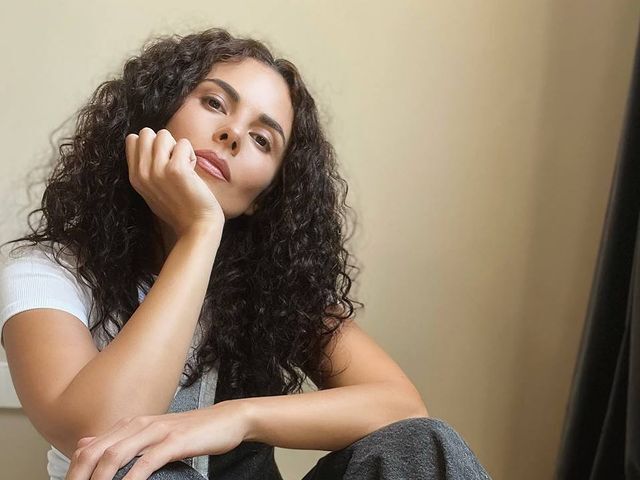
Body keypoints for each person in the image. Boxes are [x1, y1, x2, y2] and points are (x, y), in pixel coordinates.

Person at [0, 27, 491, 479]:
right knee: (137, 463)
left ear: (262, 198)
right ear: (156, 114)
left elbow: (401, 406)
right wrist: (200, 232)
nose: (232, 134)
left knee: (423, 445)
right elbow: (98, 430)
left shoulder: (273, 288)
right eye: (214, 103)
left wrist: (236, 418)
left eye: (261, 139)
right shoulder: (48, 273)